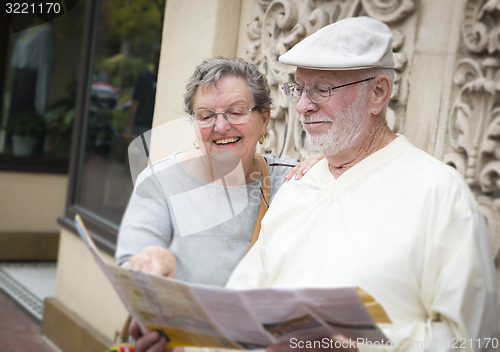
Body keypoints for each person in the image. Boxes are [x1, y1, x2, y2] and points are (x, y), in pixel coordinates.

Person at [226, 16, 498, 351]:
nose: (303, 106)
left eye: (322, 89)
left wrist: (358, 348)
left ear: (378, 93)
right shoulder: (298, 188)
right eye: (298, 88)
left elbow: (474, 339)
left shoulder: (438, 191)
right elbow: (238, 311)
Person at [115, 57, 321, 351]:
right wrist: (149, 262)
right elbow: (131, 273)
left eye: (236, 112)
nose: (220, 126)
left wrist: (329, 168)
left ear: (264, 119)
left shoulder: (291, 181)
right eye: (205, 115)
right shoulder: (161, 182)